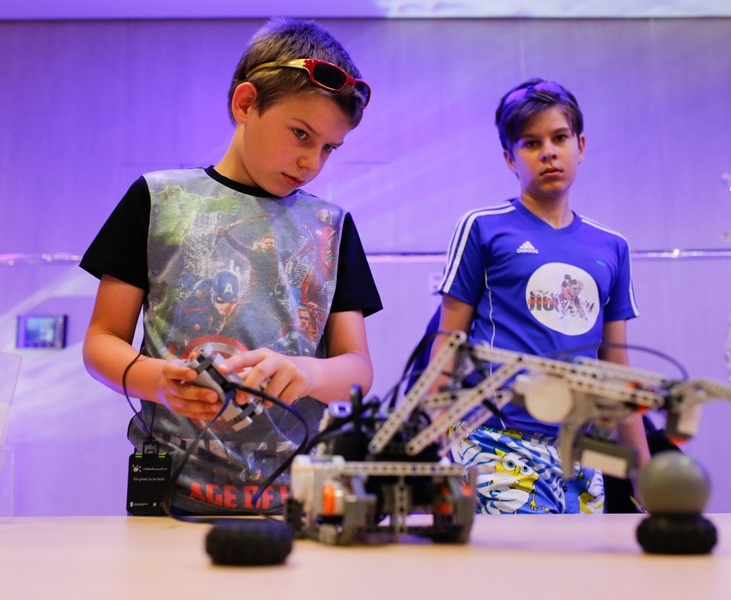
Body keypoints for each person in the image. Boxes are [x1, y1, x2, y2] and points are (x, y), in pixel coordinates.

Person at [80, 17, 382, 515]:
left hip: (296, 503)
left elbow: (358, 370)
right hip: (169, 499)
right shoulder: (158, 199)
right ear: (246, 104)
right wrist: (157, 379)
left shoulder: (332, 227)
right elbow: (101, 342)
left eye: (329, 147)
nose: (312, 163)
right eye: (301, 134)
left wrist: (305, 373)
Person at [431, 78, 649, 515]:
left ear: (580, 146)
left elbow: (616, 370)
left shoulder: (612, 247)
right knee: (520, 562)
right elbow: (447, 343)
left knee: (582, 562)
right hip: (494, 443)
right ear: (509, 158)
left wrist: (646, 476)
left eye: (559, 138)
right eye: (531, 143)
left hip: (582, 453)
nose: (548, 152)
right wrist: (430, 446)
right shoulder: (483, 227)